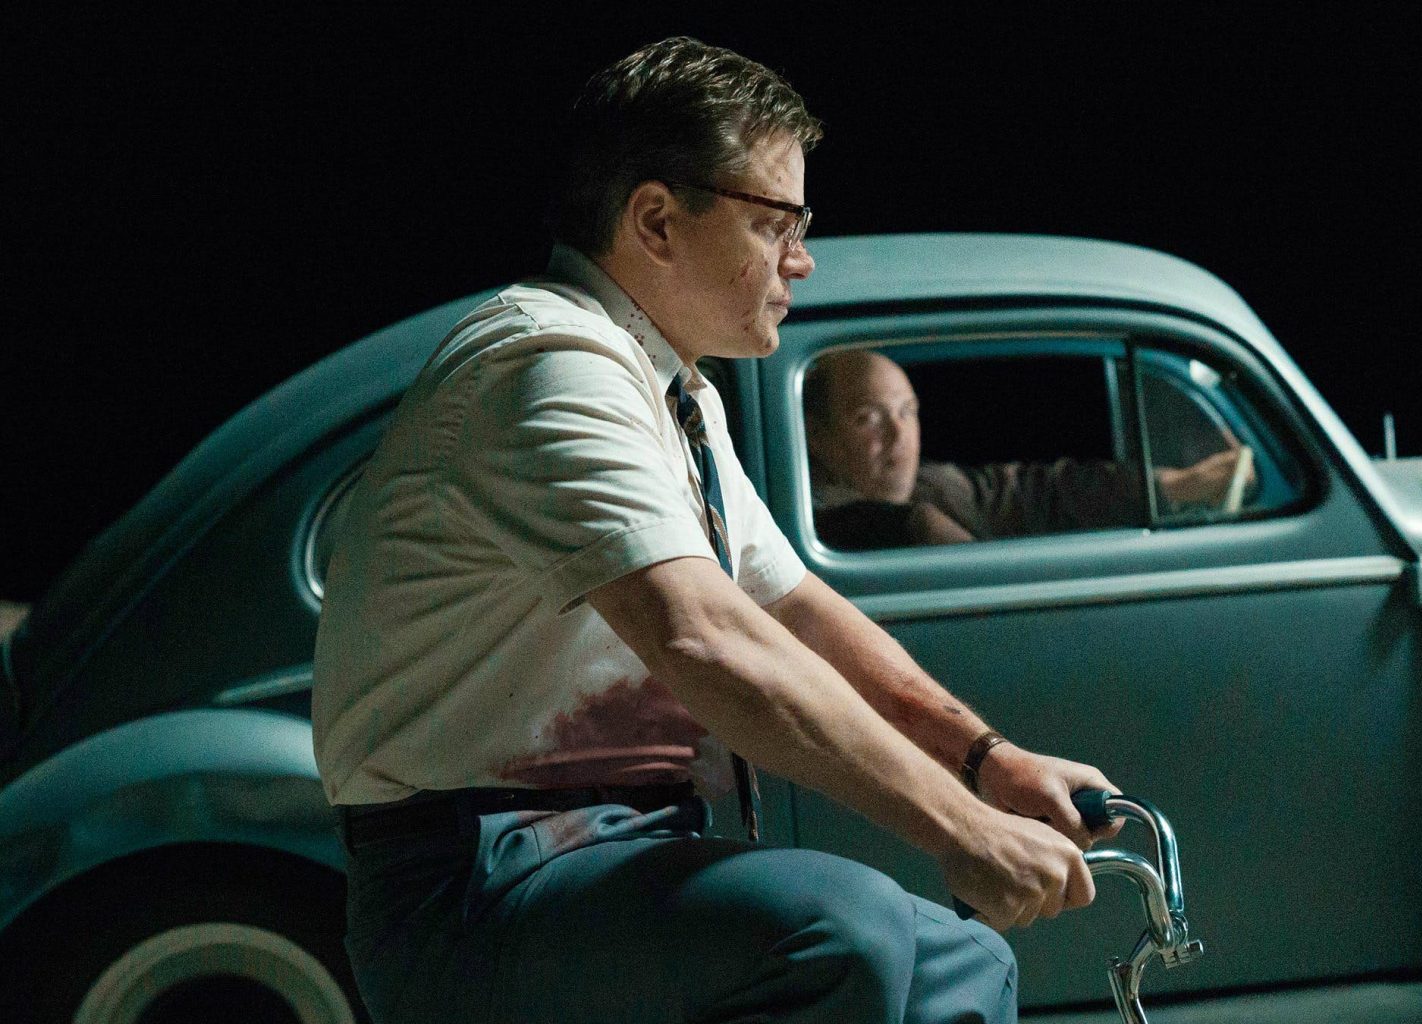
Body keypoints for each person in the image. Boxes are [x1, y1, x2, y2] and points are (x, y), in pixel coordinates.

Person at [311, 37, 1117, 1024]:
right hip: (469, 885)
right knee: (842, 930)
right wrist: (963, 830)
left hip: (617, 851)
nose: (801, 259)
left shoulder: (673, 393)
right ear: (655, 220)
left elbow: (795, 610)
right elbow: (704, 635)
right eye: (775, 223)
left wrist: (989, 763)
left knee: (962, 961)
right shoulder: (548, 363)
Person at [805, 349, 1249, 549]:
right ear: (816, 436)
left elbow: (1035, 491)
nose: (900, 435)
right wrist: (921, 530)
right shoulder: (815, 522)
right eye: (868, 418)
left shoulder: (935, 486)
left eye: (908, 412)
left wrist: (1173, 486)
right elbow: (889, 527)